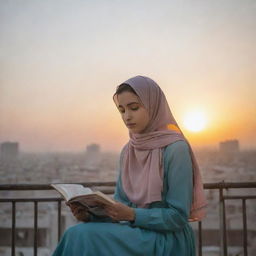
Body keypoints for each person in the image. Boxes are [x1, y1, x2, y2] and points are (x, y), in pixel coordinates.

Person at [52, 75, 208, 256]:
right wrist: (90, 214)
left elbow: (178, 217)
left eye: (134, 108)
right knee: (76, 233)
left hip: (166, 239)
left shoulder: (175, 149)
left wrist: (133, 215)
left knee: (80, 236)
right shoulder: (129, 151)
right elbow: (120, 205)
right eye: (122, 110)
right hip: (135, 233)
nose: (127, 116)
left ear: (153, 105)